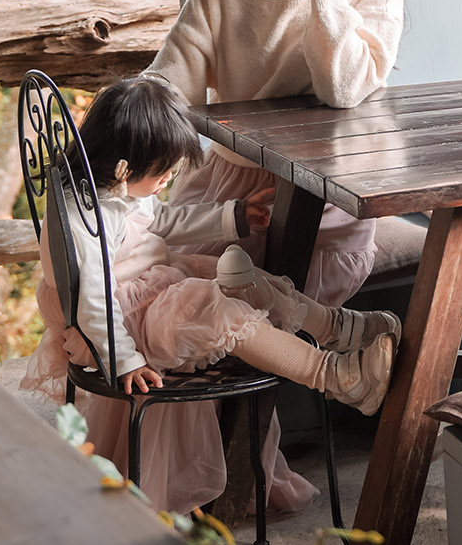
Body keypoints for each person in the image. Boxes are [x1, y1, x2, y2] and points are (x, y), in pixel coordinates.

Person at [23, 75, 399, 514]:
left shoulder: (114, 186)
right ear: (124, 168)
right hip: (116, 323)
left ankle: (336, 328)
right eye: (162, 171)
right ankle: (337, 378)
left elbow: (162, 221)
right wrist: (125, 359)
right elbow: (92, 300)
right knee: (213, 307)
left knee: (238, 273)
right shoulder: (80, 218)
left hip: (148, 291)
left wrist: (234, 215)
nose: (167, 179)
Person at [147, 0, 404, 309]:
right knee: (190, 308)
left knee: (285, 317)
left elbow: (343, 88)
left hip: (330, 193)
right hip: (229, 183)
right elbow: (171, 83)